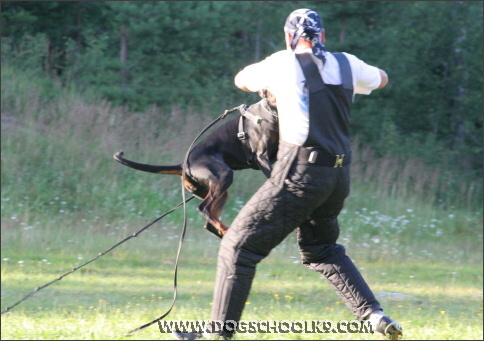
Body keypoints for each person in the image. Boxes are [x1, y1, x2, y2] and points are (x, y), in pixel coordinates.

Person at [173, 8, 402, 340]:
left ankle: (215, 337)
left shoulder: (282, 63)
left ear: (288, 37)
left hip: (301, 171)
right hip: (338, 175)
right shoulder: (347, 64)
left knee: (237, 248)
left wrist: (272, 86)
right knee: (322, 249)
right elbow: (382, 78)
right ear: (322, 36)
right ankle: (374, 316)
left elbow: (240, 79)